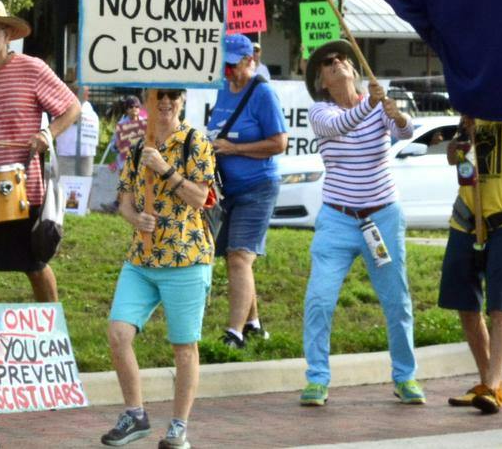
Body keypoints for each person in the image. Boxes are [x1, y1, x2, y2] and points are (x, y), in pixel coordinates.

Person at [300, 40, 423, 408]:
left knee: (396, 301)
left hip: (382, 216)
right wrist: (371, 104)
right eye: (327, 63)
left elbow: (406, 131)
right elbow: (341, 124)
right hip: (337, 219)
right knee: (319, 298)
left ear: (354, 69)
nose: (336, 63)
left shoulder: (377, 106)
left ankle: (405, 377)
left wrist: (396, 114)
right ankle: (317, 379)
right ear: (322, 81)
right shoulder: (320, 112)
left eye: (342, 59)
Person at [102, 88, 217, 449]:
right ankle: (135, 414)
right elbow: (123, 201)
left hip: (186, 259)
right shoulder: (137, 147)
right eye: (158, 96)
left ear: (182, 100)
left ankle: (178, 427)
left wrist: (165, 170)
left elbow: (201, 198)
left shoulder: (194, 142)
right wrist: (135, 217)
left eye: (172, 95)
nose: (165, 102)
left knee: (183, 346)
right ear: (146, 101)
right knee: (119, 333)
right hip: (141, 260)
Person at [0, 0, 82, 303]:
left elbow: (72, 108)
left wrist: (48, 133)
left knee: (33, 265)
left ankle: (50, 332)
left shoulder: (32, 69)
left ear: (8, 34)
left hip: (22, 185)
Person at [440, 99, 502, 414]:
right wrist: (463, 136)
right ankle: (487, 382)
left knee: (500, 306)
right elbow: (456, 162)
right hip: (466, 220)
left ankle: (496, 384)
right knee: (466, 305)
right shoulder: (473, 114)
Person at [207, 33, 286, 349]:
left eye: (232, 66)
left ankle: (234, 334)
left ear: (249, 61)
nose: (227, 72)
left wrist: (235, 148)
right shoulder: (223, 90)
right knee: (232, 257)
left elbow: (279, 143)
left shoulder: (263, 94)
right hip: (227, 190)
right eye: (223, 66)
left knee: (240, 256)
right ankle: (253, 324)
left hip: (258, 187)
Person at [57, 84, 102, 177]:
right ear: (76, 93)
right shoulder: (64, 104)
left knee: (85, 185)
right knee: (67, 185)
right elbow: (57, 122)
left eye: (88, 91)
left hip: (86, 154)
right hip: (68, 153)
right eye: (86, 91)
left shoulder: (89, 107)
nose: (88, 93)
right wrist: (73, 118)